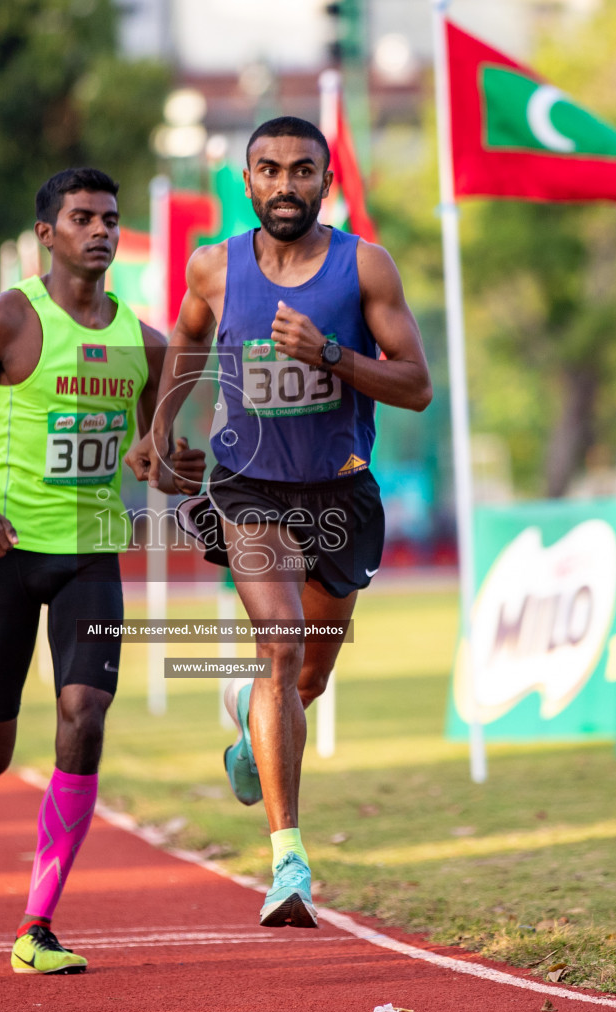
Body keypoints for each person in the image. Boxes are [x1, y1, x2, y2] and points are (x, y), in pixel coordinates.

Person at [127, 117, 432, 929]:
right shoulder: (213, 266)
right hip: (247, 485)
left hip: (339, 492)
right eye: (269, 170)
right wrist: (162, 430)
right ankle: (288, 861)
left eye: (302, 171)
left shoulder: (364, 266)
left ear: (324, 183)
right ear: (249, 181)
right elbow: (188, 339)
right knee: (282, 644)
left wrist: (332, 356)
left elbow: (416, 386)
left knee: (308, 678)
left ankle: (242, 716)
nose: (285, 185)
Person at [0, 167, 204, 975]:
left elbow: (161, 459)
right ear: (48, 233)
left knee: (85, 714)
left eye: (110, 219)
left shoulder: (147, 346)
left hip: (90, 558)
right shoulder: (2, 324)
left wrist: (175, 464)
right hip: (5, 557)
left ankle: (37, 924)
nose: (101, 231)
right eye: (83, 218)